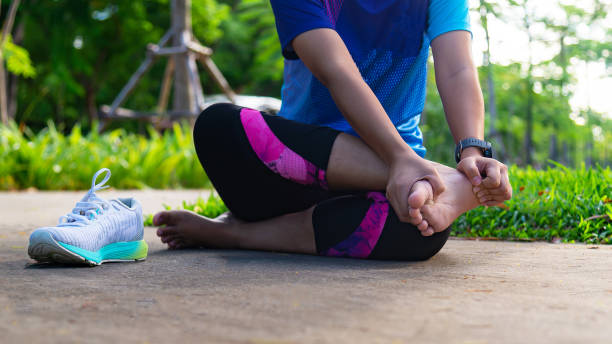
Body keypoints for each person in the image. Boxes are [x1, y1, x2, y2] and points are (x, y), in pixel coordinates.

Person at [153, 0, 512, 260]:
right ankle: (442, 181)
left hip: (390, 186)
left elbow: (457, 69)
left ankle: (233, 234)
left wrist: (471, 152)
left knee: (419, 229)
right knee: (217, 127)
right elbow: (335, 70)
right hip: (294, 172)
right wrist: (401, 159)